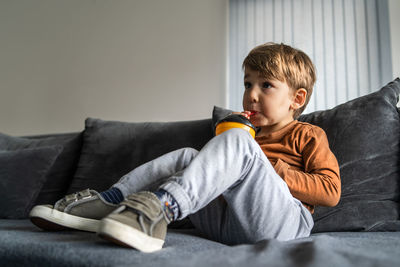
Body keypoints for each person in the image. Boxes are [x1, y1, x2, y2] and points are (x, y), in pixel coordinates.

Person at [29, 42, 341, 253]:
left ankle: (160, 210)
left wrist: (274, 169)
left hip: (284, 225)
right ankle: (110, 202)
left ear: (296, 99)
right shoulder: (247, 135)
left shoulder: (308, 134)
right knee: (188, 156)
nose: (251, 95)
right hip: (229, 225)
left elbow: (330, 191)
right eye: (248, 84)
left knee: (237, 142)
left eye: (266, 85)